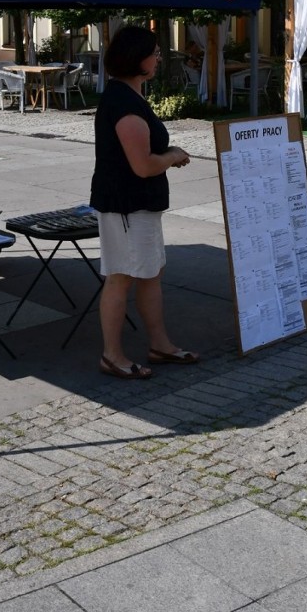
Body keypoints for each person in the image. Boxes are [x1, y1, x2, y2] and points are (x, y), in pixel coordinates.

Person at [90, 25, 199, 379]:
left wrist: (165, 156)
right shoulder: (124, 104)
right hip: (126, 205)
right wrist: (172, 155)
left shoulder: (128, 96)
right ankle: (112, 355)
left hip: (138, 205)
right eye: (154, 52)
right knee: (120, 277)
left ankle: (160, 344)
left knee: (151, 273)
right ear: (138, 59)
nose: (158, 57)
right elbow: (142, 165)